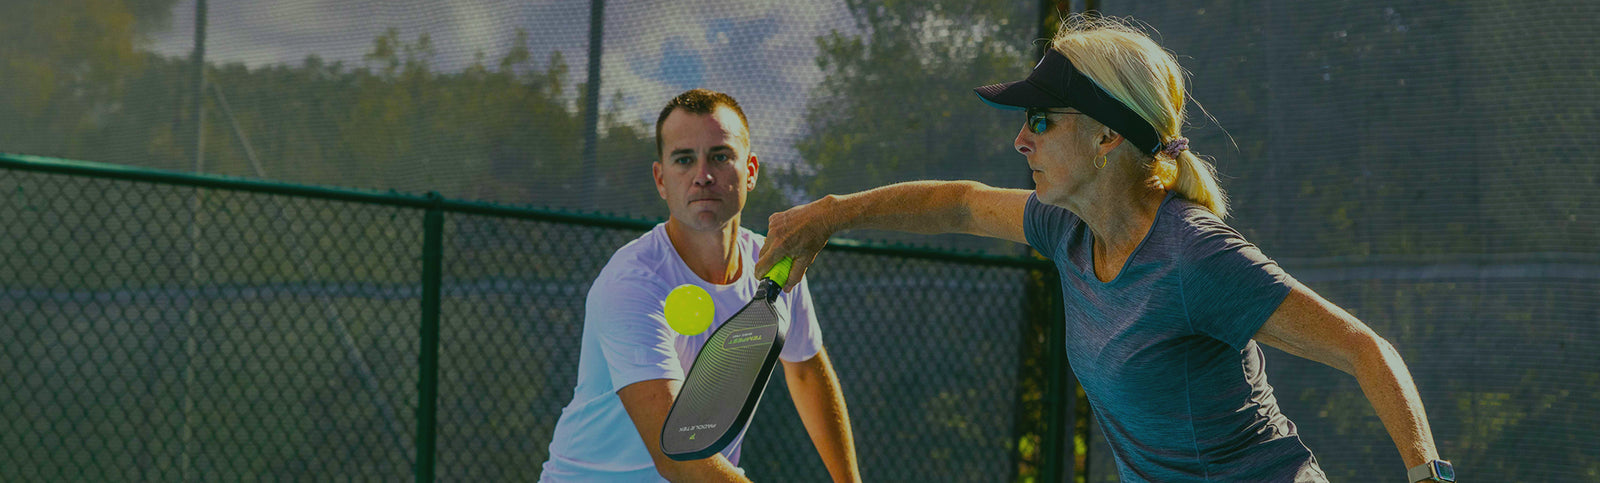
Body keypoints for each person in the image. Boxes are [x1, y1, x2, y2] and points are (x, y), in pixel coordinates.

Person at [753, 15, 1451, 483]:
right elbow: (961, 202)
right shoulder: (1065, 226)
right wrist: (830, 214)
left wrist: (1426, 473)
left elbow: (1363, 349)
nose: (1020, 140)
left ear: (1106, 136)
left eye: (1040, 121)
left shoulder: (1194, 256)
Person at [540, 89, 861, 482]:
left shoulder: (778, 264)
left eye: (720, 157)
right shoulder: (632, 281)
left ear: (750, 171)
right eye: (684, 159)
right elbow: (678, 457)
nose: (703, 176)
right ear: (661, 179)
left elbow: (806, 371)